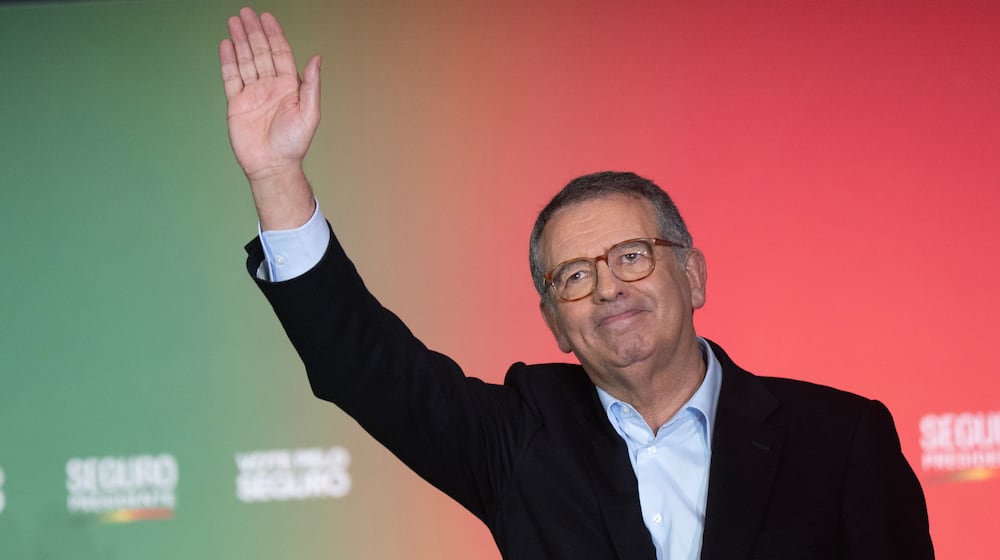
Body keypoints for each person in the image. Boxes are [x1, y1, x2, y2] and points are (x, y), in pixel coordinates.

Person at [219, 8, 934, 560]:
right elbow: (364, 366)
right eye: (574, 276)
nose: (607, 290)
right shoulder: (524, 439)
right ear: (555, 323)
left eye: (630, 256)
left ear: (693, 273)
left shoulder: (840, 440)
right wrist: (278, 177)